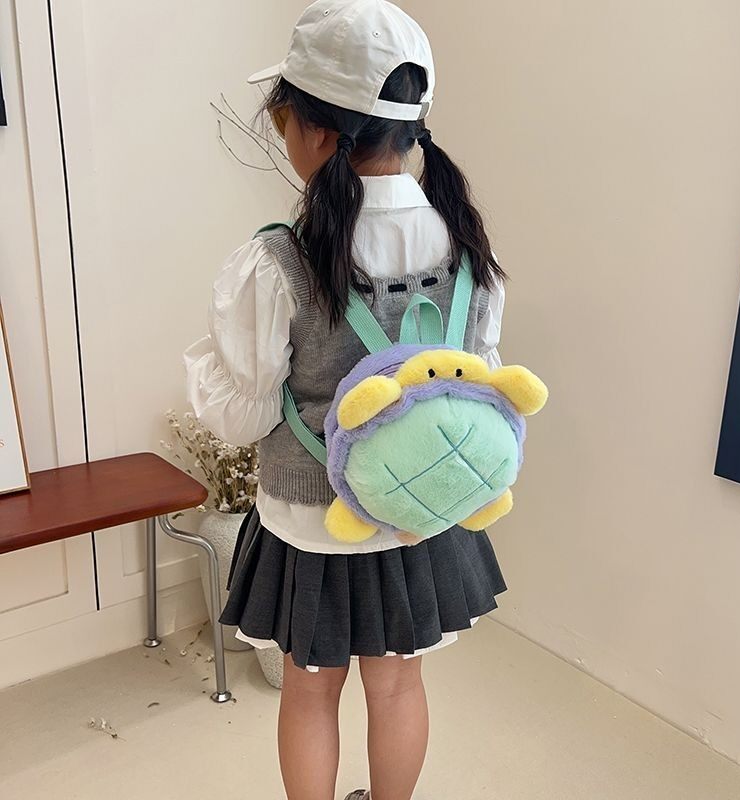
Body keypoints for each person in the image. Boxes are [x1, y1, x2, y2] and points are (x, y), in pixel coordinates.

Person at [184, 2, 508, 798]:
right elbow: (479, 374)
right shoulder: (467, 244)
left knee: (309, 689)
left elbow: (244, 415)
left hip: (312, 519)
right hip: (419, 509)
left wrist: (202, 367)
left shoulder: (278, 261)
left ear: (319, 134)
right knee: (397, 685)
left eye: (285, 118)